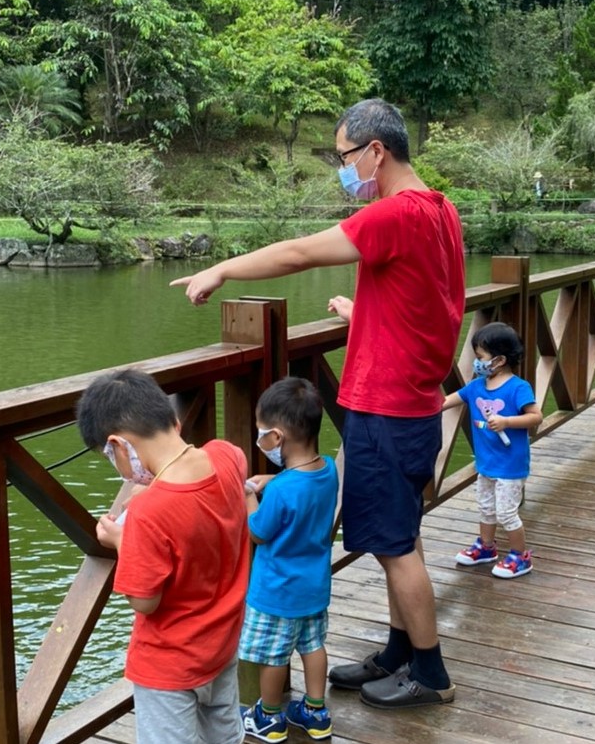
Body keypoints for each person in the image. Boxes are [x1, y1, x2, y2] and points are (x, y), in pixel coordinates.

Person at [170, 98, 465, 709]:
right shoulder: (440, 210)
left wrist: (223, 269)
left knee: (395, 546)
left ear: (375, 152)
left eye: (345, 157)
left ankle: (429, 672)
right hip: (412, 401)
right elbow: (433, 302)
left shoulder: (396, 213)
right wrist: (369, 318)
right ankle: (399, 651)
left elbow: (300, 252)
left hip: (388, 410)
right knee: (397, 537)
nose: (343, 169)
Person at [76, 368, 250, 744]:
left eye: (111, 456)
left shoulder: (147, 513)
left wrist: (126, 543)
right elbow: (227, 473)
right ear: (172, 420)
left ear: (118, 446)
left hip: (169, 665)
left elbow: (145, 600)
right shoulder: (225, 456)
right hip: (221, 645)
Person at [238, 377, 339, 742]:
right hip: (313, 587)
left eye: (262, 433)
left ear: (277, 437)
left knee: (274, 656)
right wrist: (274, 479)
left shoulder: (280, 490)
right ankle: (315, 711)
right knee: (313, 646)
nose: (259, 439)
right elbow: (300, 490)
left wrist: (249, 495)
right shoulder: (328, 470)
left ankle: (268, 717)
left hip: (278, 592)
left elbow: (257, 532)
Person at [443, 322, 542, 578]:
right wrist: (426, 406)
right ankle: (486, 548)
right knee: (485, 507)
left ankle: (521, 556)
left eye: (480, 358)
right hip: (486, 463)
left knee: (507, 512)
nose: (477, 363)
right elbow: (448, 400)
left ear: (498, 360)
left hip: (510, 465)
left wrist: (508, 421)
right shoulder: (476, 386)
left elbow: (535, 417)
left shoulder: (518, 388)